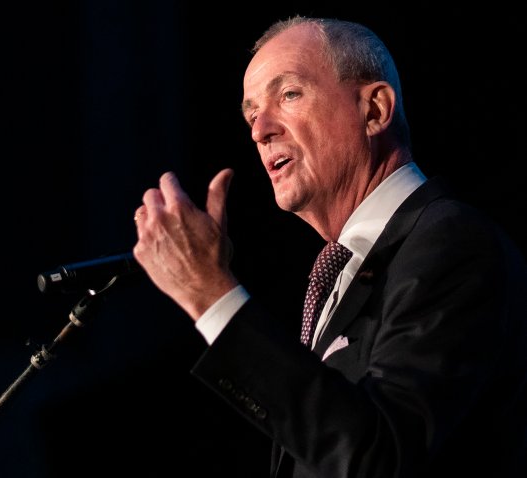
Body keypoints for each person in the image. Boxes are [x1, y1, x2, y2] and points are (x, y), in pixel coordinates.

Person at [131, 15, 527, 477]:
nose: (260, 131)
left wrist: (210, 295)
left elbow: (381, 456)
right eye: (252, 114)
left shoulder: (452, 243)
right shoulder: (342, 273)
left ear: (375, 110)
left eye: (289, 95)